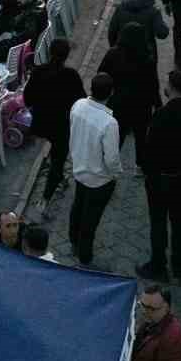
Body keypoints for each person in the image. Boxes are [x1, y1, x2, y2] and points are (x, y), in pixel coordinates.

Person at [139, 70, 181, 283]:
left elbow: (149, 151)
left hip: (160, 179)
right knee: (179, 222)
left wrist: (148, 173)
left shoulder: (161, 115)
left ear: (171, 87)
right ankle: (179, 266)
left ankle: (158, 265)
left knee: (158, 222)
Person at [24, 38, 85, 212]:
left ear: (50, 52)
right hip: (62, 126)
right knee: (58, 161)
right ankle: (45, 199)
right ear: (67, 55)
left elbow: (27, 98)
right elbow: (81, 100)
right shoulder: (71, 76)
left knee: (55, 156)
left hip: (41, 123)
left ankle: (54, 179)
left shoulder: (39, 72)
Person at [69, 73, 122, 267]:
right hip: (99, 179)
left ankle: (73, 240)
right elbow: (112, 158)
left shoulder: (78, 105)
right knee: (90, 219)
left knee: (78, 206)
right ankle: (85, 256)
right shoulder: (109, 123)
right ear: (111, 93)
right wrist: (116, 173)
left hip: (79, 169)